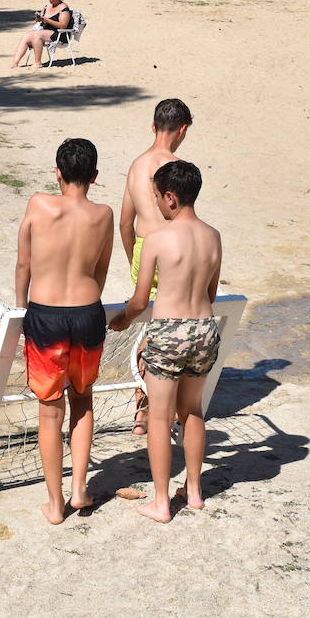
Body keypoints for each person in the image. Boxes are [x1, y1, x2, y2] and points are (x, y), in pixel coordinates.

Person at [108, 160, 223, 524]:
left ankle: (161, 501)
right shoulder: (213, 236)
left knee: (159, 417)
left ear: (171, 198)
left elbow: (141, 300)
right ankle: (193, 491)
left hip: (169, 330)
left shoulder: (157, 239)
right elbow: (211, 292)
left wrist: (122, 320)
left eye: (157, 197)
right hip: (204, 327)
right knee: (192, 410)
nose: (156, 204)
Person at [15, 138, 114, 525]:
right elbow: (102, 268)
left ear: (57, 172)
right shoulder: (103, 214)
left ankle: (55, 505)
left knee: (49, 410)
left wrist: (22, 306)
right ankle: (79, 491)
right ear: (94, 177)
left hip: (46, 314)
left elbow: (24, 263)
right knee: (83, 400)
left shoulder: (39, 204)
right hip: (89, 312)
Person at [119, 97, 192, 435]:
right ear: (183, 129)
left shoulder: (136, 166)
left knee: (147, 328)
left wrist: (134, 256)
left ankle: (141, 411)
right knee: (172, 326)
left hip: (143, 250)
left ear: (152, 126)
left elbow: (124, 222)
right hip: (172, 253)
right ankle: (171, 408)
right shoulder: (177, 169)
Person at [10, 0, 72, 68]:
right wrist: (39, 18)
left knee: (37, 35)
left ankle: (37, 62)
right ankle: (15, 62)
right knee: (26, 35)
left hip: (59, 34)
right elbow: (41, 18)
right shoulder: (47, 6)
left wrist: (46, 20)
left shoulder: (63, 8)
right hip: (45, 31)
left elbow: (63, 25)